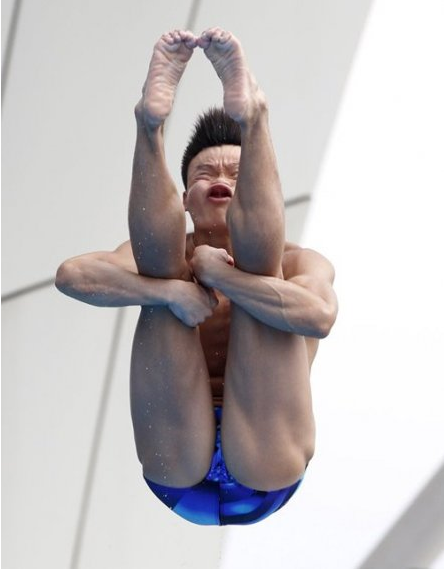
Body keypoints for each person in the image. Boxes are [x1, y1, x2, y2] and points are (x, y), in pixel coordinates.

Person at [56, 28, 338, 526]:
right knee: (162, 271)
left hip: (266, 464)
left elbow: (319, 316)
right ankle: (149, 127)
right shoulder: (175, 258)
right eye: (206, 175)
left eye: (237, 175)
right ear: (184, 199)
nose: (221, 182)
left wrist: (224, 279)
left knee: (263, 274)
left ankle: (255, 117)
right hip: (177, 464)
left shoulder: (299, 262)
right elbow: (72, 276)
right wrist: (171, 290)